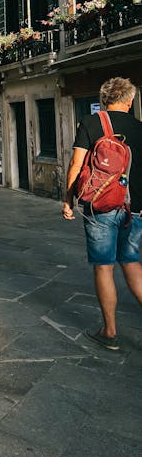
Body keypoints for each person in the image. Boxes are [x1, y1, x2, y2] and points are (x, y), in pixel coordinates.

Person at [62, 77, 142, 351]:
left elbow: (76, 163)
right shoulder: (140, 128)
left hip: (101, 206)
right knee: (132, 264)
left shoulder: (92, 122)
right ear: (130, 101)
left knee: (104, 267)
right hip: (136, 209)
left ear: (105, 100)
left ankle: (109, 332)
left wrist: (68, 199)